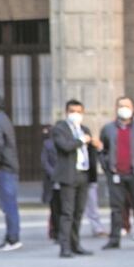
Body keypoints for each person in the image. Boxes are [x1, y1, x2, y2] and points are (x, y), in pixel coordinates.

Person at [99, 96, 134, 249]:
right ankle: (114, 238)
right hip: (116, 174)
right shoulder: (108, 129)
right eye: (121, 105)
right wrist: (108, 168)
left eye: (127, 106)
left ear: (132, 109)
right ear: (116, 108)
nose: (124, 109)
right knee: (116, 208)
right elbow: (103, 151)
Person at [52, 100, 101, 258]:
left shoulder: (84, 129)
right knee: (67, 212)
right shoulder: (60, 129)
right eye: (72, 111)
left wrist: (95, 144)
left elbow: (90, 150)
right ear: (66, 112)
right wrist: (81, 141)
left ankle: (75, 244)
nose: (76, 114)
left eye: (79, 111)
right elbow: (65, 146)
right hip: (68, 175)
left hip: (83, 174)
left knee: (79, 212)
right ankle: (64, 246)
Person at [0, 95, 21, 251]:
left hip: (4, 166)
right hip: (11, 164)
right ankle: (11, 236)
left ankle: (12, 238)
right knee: (10, 203)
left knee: (8, 204)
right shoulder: (4, 118)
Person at [41, 128, 59, 241]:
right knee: (54, 207)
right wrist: (54, 174)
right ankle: (54, 230)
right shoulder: (47, 144)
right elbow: (44, 162)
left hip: (65, 178)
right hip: (52, 180)